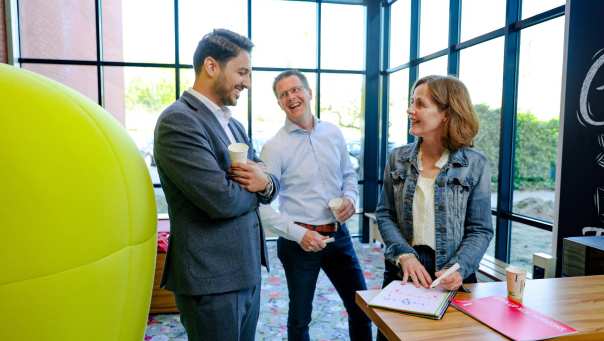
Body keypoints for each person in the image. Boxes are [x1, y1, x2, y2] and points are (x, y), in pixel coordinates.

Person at [154, 29, 279, 341]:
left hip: (245, 270)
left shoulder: (233, 124)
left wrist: (262, 183)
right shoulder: (178, 122)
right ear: (211, 66)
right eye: (242, 72)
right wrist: (258, 188)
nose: (248, 83)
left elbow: (269, 178)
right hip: (211, 278)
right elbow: (221, 200)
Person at [259, 70, 372, 341]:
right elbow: (262, 208)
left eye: (296, 89)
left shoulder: (333, 133)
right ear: (279, 103)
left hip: (338, 236)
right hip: (298, 242)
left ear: (310, 93)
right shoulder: (274, 147)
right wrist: (300, 235)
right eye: (284, 94)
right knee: (300, 319)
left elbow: (348, 175)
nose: (291, 97)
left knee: (361, 307)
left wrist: (351, 199)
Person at [376, 74, 493, 312]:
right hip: (402, 271)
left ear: (446, 114)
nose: (411, 110)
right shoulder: (397, 158)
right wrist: (404, 255)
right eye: (411, 102)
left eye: (420, 104)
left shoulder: (476, 164)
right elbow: (385, 214)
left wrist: (459, 268)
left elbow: (480, 229)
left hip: (450, 276)